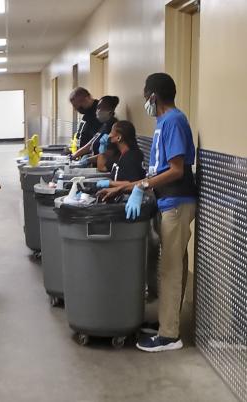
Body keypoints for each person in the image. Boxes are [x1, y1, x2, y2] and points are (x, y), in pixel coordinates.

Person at [98, 73, 197, 352]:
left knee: (170, 270)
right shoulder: (163, 123)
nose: (145, 102)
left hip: (177, 202)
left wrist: (140, 186)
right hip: (167, 201)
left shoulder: (174, 120)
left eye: (145, 96)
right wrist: (123, 187)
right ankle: (167, 322)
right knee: (169, 268)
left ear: (153, 96)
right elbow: (157, 171)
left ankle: (169, 336)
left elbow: (176, 170)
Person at [95, 121, 145, 189]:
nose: (109, 135)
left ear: (119, 137)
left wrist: (110, 183)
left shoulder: (132, 157)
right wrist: (102, 149)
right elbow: (102, 167)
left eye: (111, 132)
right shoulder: (118, 154)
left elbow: (133, 183)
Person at [72, 95, 120, 165]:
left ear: (110, 110)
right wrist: (74, 155)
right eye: (97, 107)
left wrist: (88, 160)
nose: (97, 110)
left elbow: (109, 153)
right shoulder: (104, 125)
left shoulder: (113, 126)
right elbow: (91, 143)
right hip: (96, 164)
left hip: (104, 167)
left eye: (100, 107)